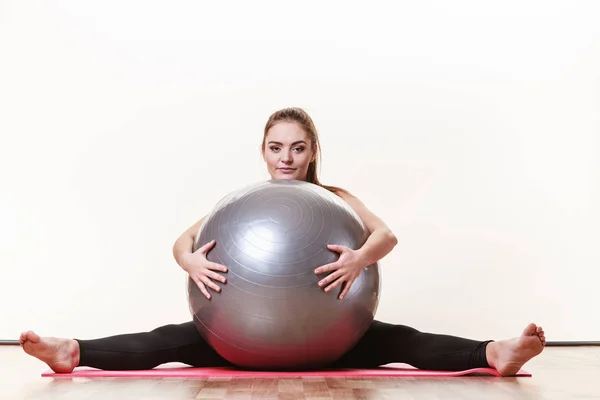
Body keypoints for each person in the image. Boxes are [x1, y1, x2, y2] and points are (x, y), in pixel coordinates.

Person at [20, 107, 546, 377]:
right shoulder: (242, 208)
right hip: (237, 335)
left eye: (297, 148)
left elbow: (386, 234)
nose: (286, 158)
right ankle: (72, 352)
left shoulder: (335, 198)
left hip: (334, 334)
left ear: (312, 150)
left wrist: (360, 257)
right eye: (276, 148)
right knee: (165, 341)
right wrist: (192, 265)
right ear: (264, 152)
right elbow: (181, 242)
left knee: (402, 340)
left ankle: (495, 353)